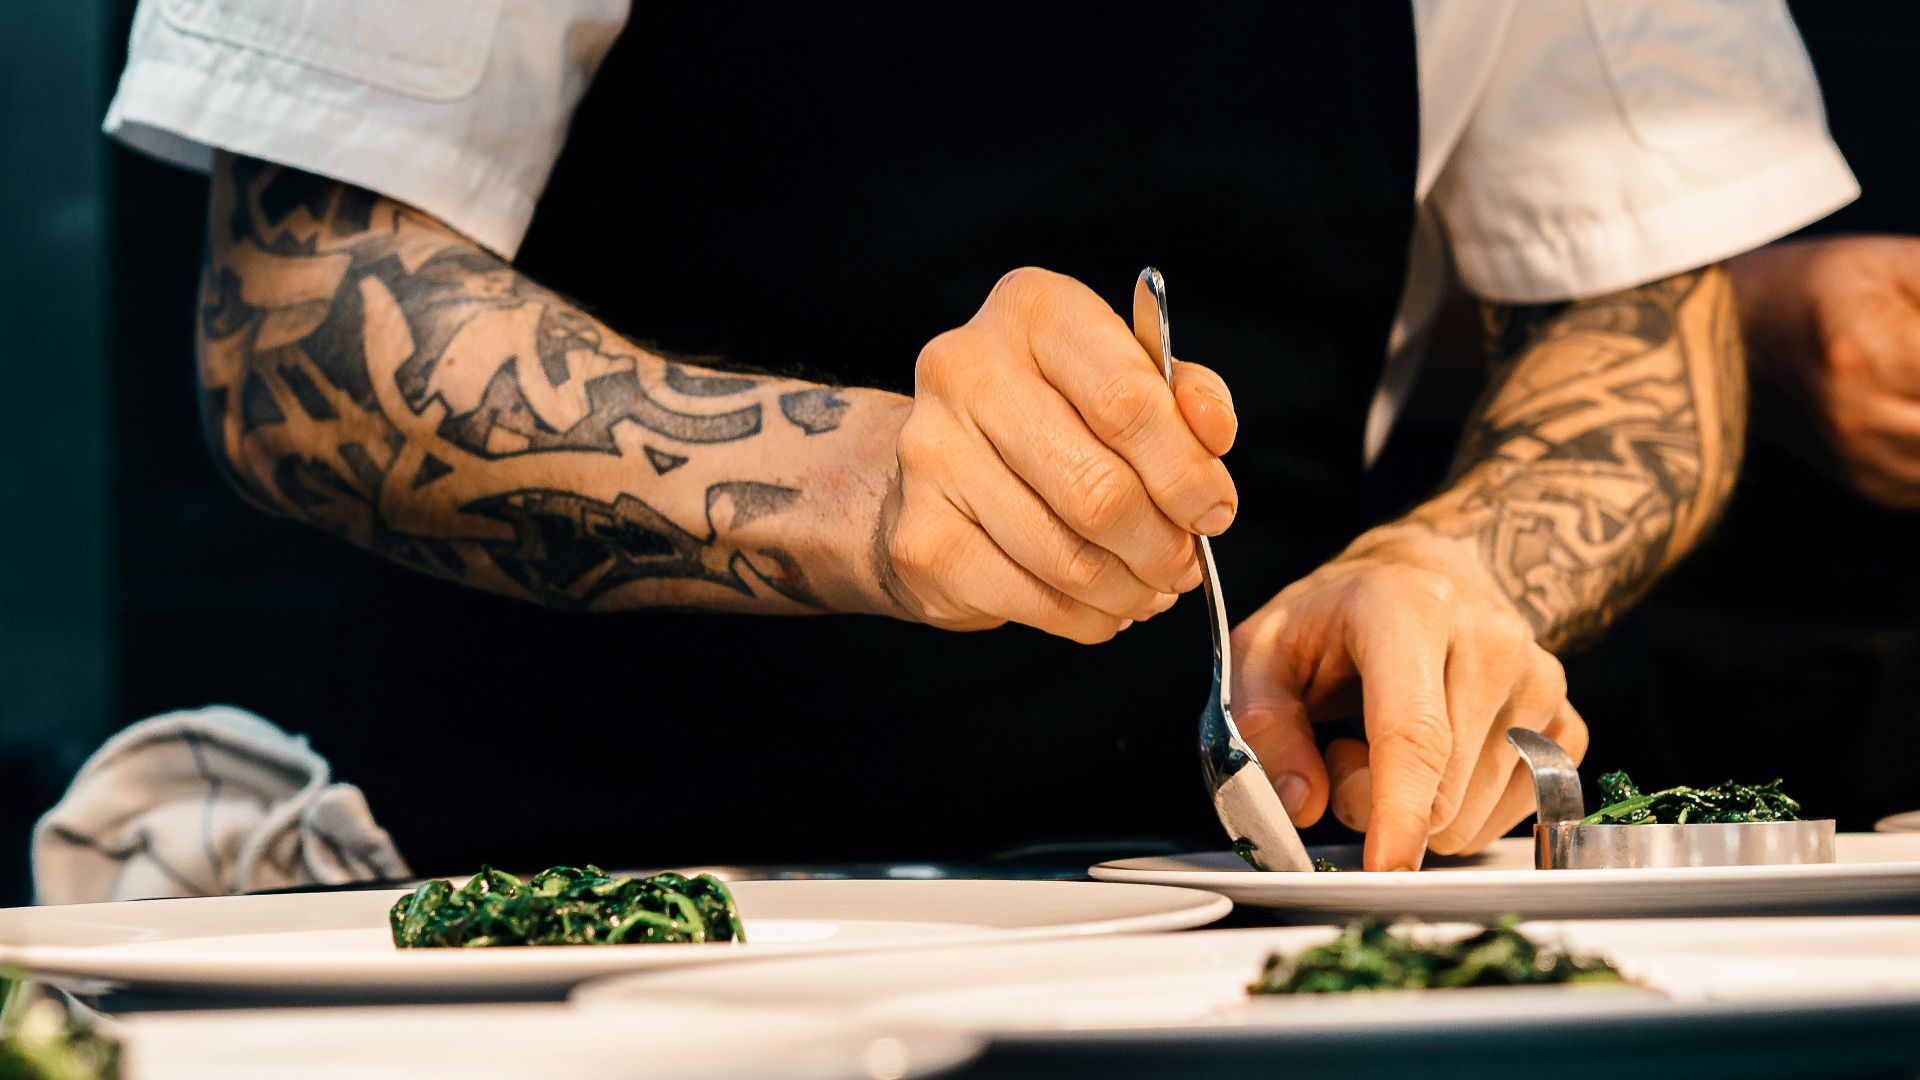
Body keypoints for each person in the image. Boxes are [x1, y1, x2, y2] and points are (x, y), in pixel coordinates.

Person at [98, 1, 1855, 874]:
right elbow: (298, 312)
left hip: (1243, 924)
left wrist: (1449, 569)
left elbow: (1648, 293)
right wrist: (853, 488)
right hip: (551, 907)